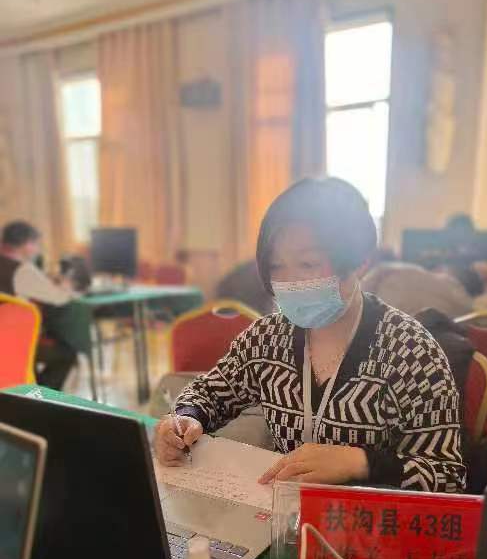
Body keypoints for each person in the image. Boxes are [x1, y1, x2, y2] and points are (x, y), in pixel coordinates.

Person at [155, 178, 465, 491]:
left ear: (359, 263)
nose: (290, 281)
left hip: (365, 515)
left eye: (308, 264)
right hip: (283, 509)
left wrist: (360, 463)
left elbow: (447, 476)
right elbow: (209, 393)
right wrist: (185, 419)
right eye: (276, 266)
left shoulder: (411, 350)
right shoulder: (267, 338)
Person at [0, 220, 77, 389]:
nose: (37, 249)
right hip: (16, 342)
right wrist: (67, 286)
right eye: (36, 244)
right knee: (66, 354)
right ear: (27, 245)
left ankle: (28, 390)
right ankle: (40, 398)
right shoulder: (22, 270)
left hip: (4, 341)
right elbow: (60, 298)